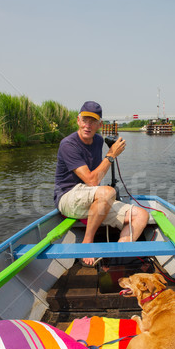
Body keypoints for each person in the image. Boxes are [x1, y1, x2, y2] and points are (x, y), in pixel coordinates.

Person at [53, 101, 149, 266]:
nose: (87, 125)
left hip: (91, 197)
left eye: (92, 121)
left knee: (141, 215)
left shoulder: (98, 141)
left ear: (100, 124)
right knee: (108, 192)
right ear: (78, 120)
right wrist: (111, 155)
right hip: (68, 197)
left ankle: (119, 255)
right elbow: (91, 180)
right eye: (84, 120)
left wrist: (109, 156)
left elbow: (93, 183)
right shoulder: (68, 144)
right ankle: (87, 242)